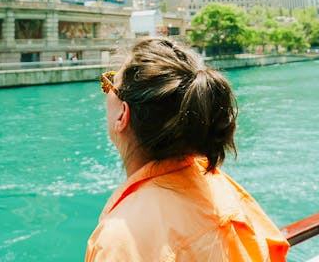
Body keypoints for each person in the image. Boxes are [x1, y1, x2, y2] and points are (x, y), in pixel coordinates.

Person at [86, 37, 289, 261]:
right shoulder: (221, 187)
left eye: (109, 84)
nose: (105, 92)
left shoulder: (120, 240)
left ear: (122, 114)